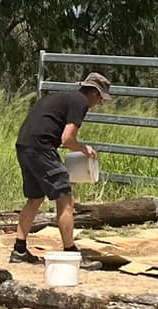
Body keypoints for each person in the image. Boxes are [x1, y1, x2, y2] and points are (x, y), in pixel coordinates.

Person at [10, 73, 110, 265]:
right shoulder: (79, 103)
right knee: (65, 199)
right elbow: (67, 139)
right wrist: (84, 149)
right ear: (94, 92)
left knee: (35, 198)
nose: (99, 103)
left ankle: (19, 250)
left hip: (24, 146)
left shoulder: (61, 97)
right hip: (42, 148)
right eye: (100, 99)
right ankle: (71, 253)